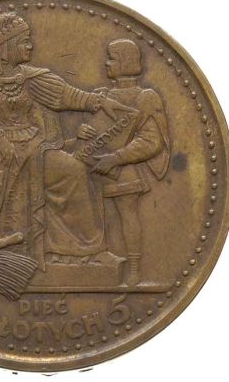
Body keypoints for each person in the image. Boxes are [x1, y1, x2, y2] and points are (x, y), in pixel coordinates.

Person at [0, 13, 133, 270]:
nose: (30, 46)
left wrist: (99, 102)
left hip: (34, 147)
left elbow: (64, 95)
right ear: (8, 45)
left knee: (78, 169)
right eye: (24, 41)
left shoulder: (30, 77)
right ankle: (76, 250)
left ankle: (83, 251)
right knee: (73, 170)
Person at [91, 39, 170, 285]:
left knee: (127, 215)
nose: (106, 63)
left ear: (126, 62)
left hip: (124, 171)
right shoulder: (100, 95)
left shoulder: (146, 98)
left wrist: (116, 158)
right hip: (92, 167)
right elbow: (91, 129)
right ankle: (95, 264)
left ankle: (134, 270)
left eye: (112, 58)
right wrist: (84, 133)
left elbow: (152, 141)